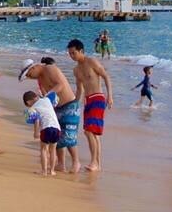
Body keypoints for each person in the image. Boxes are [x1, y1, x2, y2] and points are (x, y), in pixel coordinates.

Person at [22, 56, 78, 172]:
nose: (29, 77)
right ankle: (61, 163)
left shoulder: (50, 69)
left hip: (69, 104)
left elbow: (60, 85)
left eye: (29, 75)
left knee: (69, 135)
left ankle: (75, 162)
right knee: (57, 137)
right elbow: (42, 96)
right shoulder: (40, 79)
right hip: (55, 108)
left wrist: (48, 97)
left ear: (34, 68)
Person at [67, 39, 112, 172]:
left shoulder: (91, 62)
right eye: (70, 54)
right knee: (92, 133)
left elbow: (106, 76)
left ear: (81, 51)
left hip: (98, 98)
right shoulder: (76, 70)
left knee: (89, 131)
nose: (72, 56)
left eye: (74, 53)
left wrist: (110, 96)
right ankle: (97, 163)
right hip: (88, 101)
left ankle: (94, 162)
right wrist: (73, 103)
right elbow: (79, 89)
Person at [25, 90, 61, 176]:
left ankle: (44, 171)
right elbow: (52, 97)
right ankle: (52, 171)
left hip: (46, 128)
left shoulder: (32, 109)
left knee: (44, 150)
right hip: (57, 128)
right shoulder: (47, 100)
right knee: (53, 150)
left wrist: (36, 132)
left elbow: (36, 120)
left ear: (28, 102)